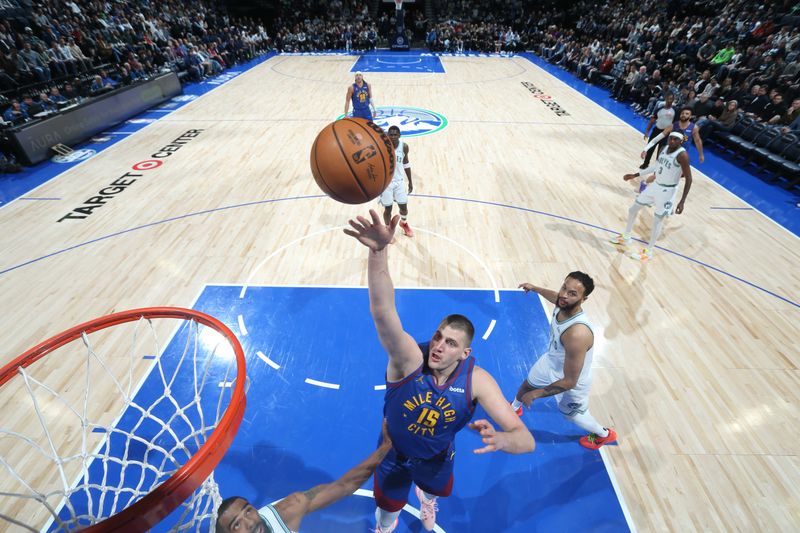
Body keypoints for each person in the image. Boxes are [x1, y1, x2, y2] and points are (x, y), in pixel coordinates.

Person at [343, 210, 535, 532]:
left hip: (436, 459)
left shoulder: (477, 381)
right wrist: (378, 252)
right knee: (387, 510)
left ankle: (426, 499)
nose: (438, 346)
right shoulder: (408, 360)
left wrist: (503, 440)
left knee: (433, 492)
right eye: (437, 336)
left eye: (450, 343)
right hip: (393, 450)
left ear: (465, 352)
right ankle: (384, 527)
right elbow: (382, 311)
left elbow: (525, 440)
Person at [215, 421, 393, 533]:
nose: (251, 522)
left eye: (248, 511)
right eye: (236, 525)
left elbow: (344, 486)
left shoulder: (288, 509)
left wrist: (384, 449)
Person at [509, 272, 616, 450]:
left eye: (573, 293)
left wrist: (536, 394)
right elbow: (555, 297)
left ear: (584, 299)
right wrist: (535, 288)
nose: (564, 295)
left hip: (573, 381)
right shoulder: (562, 303)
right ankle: (514, 408)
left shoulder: (577, 334)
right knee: (528, 384)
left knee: (573, 415)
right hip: (552, 361)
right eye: (564, 288)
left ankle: (603, 434)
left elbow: (570, 381)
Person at [612, 132, 693, 261]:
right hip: (656, 185)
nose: (671, 141)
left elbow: (689, 178)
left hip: (668, 191)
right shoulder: (664, 148)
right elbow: (656, 166)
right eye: (670, 138)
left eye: (675, 139)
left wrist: (682, 201)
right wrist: (635, 174)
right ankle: (626, 237)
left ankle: (648, 251)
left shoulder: (682, 155)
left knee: (657, 221)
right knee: (633, 209)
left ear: (681, 141)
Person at [380, 126, 414, 238]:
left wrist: (410, 181)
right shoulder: (382, 147)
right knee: (388, 209)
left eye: (395, 134)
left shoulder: (404, 147)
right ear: (387, 135)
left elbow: (406, 164)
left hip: (399, 182)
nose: (393, 136)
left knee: (404, 208)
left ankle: (403, 223)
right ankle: (388, 229)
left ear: (399, 135)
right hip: (386, 183)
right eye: (391, 134)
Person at [640, 92, 676, 171]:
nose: (670, 100)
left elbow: (675, 124)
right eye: (669, 98)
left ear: (673, 100)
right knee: (650, 148)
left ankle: (657, 167)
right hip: (656, 131)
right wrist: (647, 131)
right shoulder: (659, 109)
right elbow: (652, 120)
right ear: (665, 99)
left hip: (666, 133)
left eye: (672, 99)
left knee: (661, 151)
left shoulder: (675, 111)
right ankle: (646, 163)